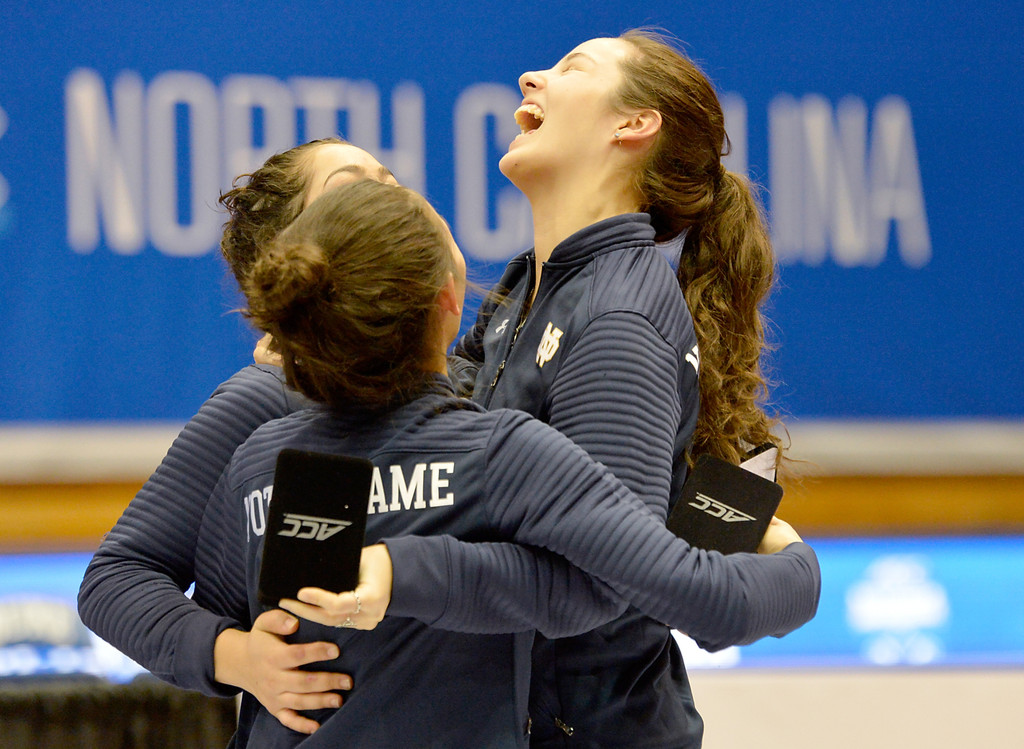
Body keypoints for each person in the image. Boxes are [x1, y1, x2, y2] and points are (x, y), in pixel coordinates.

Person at [189, 178, 819, 748]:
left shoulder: (265, 462)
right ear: (448, 303)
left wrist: (238, 655)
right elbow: (643, 595)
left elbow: (220, 614)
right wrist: (797, 565)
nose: (532, 81)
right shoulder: (504, 453)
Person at [373, 29, 784, 748]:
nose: (530, 75)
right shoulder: (524, 284)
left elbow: (605, 579)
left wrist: (395, 571)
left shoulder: (619, 315)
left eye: (571, 68)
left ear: (633, 125)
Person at [78, 137, 400, 735]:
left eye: (390, 179)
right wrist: (239, 657)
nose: (390, 196)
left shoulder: (454, 386)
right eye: (354, 184)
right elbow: (116, 580)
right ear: (292, 255)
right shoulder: (268, 397)